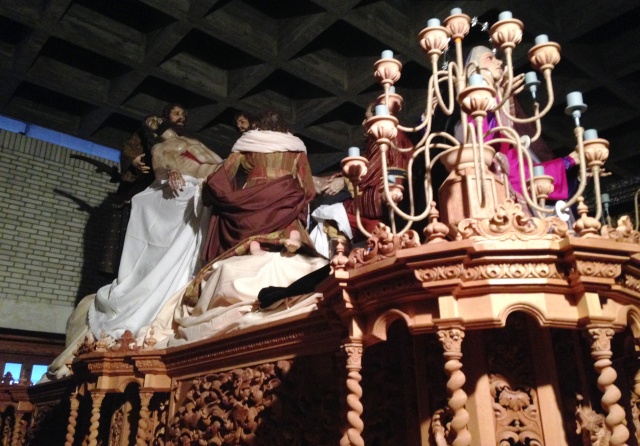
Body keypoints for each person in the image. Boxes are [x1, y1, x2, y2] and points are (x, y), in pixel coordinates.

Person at [88, 119, 223, 341]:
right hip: (191, 183)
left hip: (216, 175)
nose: (158, 122)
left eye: (158, 119)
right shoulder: (159, 147)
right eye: (152, 121)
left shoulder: (191, 140)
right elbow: (159, 169)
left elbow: (213, 158)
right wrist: (169, 173)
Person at [460, 46, 578, 202]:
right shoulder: (474, 112)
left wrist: (571, 162)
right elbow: (483, 147)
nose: (499, 62)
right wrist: (501, 99)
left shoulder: (506, 133)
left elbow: (525, 175)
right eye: (489, 58)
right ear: (475, 70)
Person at [201, 110, 317, 261]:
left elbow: (226, 171)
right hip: (285, 189)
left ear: (259, 124)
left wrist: (211, 189)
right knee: (291, 211)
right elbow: (306, 182)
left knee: (253, 221)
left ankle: (254, 244)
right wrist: (305, 198)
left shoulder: (249, 142)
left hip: (255, 190)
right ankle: (293, 235)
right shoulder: (296, 146)